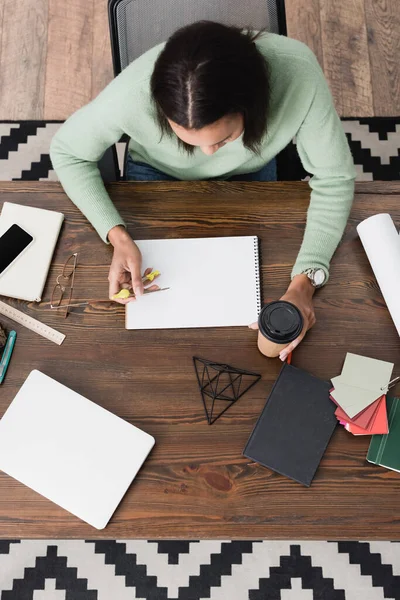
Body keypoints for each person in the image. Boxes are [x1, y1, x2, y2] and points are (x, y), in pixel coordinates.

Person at [50, 21, 355, 358]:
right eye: (186, 137)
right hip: (157, 173)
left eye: (223, 139)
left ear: (251, 106)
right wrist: (116, 234)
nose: (209, 154)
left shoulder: (298, 72)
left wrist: (305, 283)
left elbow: (335, 178)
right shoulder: (129, 96)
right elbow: (67, 152)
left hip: (250, 172)